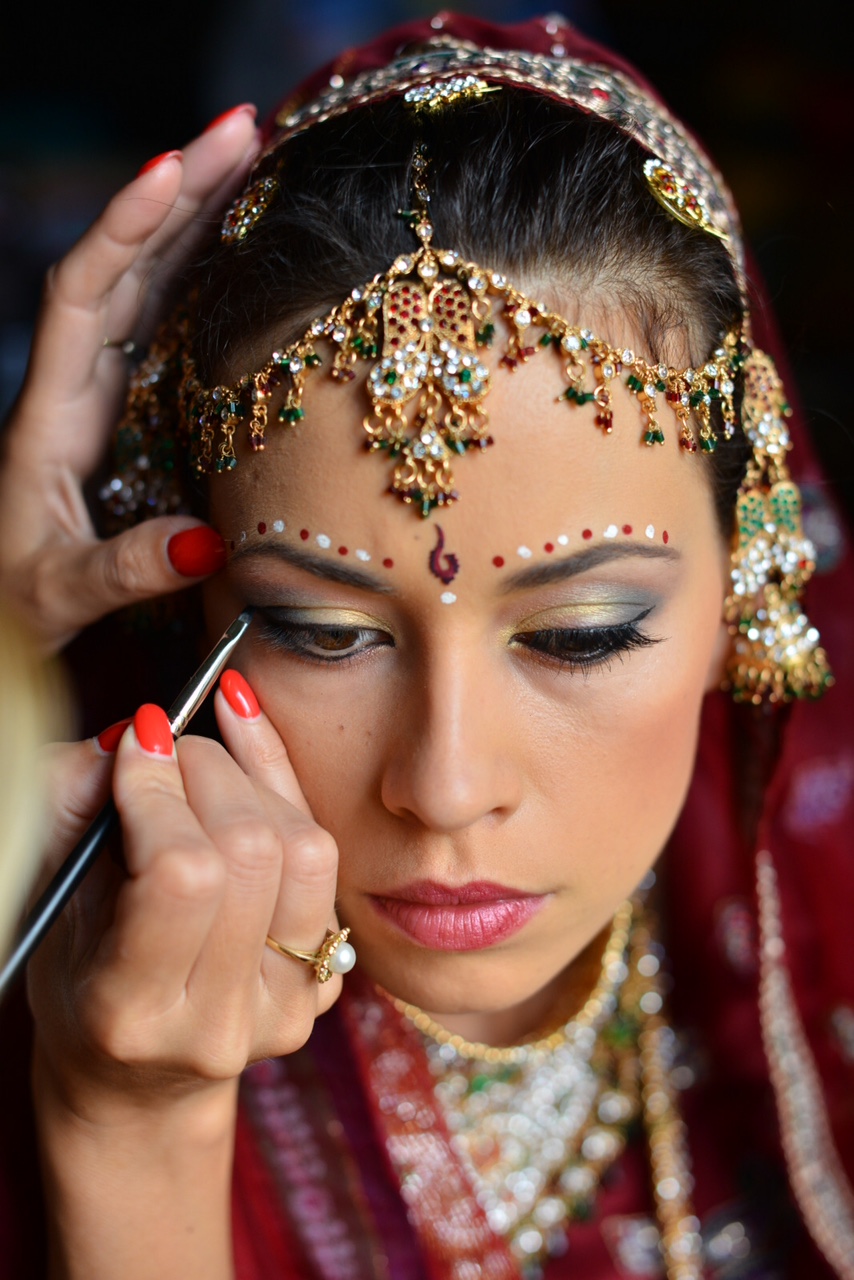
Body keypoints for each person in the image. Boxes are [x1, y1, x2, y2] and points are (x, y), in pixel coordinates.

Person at [0, 13, 852, 1280]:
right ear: (192, 601)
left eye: (578, 634)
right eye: (323, 631)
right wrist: (129, 1127)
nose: (445, 785)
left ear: (749, 576)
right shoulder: (66, 992)